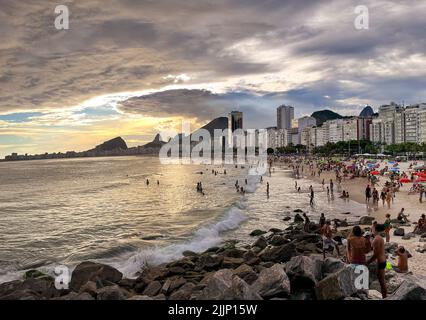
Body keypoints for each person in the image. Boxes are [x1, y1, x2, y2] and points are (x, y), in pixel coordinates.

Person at [367, 224, 387, 298]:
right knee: (382, 280)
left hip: (381, 261)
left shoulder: (376, 239)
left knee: (381, 281)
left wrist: (368, 262)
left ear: (375, 229)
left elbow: (376, 254)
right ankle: (385, 296)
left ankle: (385, 297)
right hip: (383, 260)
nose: (371, 229)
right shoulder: (379, 238)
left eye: (372, 228)